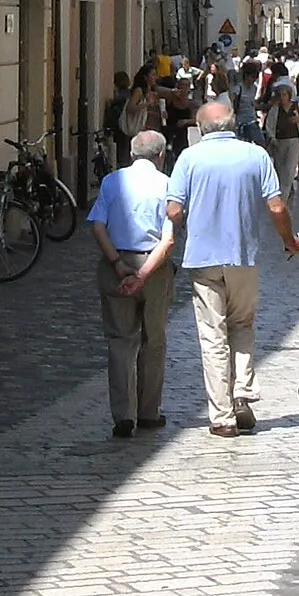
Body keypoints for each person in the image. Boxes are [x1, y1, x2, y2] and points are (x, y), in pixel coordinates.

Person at [136, 96, 299, 436]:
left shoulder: (190, 157)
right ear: (230, 125)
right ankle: (242, 390)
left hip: (203, 258)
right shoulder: (255, 155)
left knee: (213, 336)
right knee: (242, 324)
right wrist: (288, 240)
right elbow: (276, 206)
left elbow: (173, 210)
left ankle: (223, 417)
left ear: (201, 128)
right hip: (243, 255)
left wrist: (188, 220)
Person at [88, 131, 176, 438]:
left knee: (120, 340)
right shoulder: (167, 185)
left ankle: (123, 415)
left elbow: (98, 226)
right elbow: (169, 239)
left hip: (117, 266)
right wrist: (144, 274)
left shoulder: (112, 181)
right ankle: (149, 412)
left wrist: (117, 264)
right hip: (154, 269)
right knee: (154, 341)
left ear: (131, 152)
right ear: (160, 156)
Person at [266, 72, 299, 205]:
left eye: (285, 94)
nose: (282, 97)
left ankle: (282, 200)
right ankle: (283, 193)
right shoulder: (275, 109)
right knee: (279, 170)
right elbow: (269, 125)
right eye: (280, 94)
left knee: (290, 170)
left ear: (289, 94)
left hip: (294, 141)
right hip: (279, 142)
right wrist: (272, 138)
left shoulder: (297, 107)